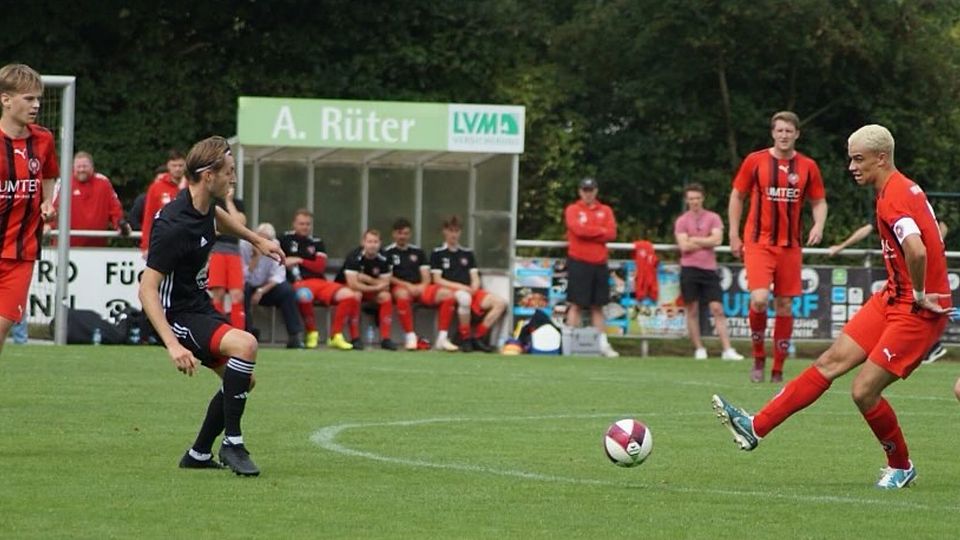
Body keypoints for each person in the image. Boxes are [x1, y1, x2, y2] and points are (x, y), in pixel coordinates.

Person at [712, 124, 954, 489]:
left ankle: (901, 465)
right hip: (893, 296)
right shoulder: (895, 189)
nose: (851, 166)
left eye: (858, 159)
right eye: (850, 158)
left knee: (863, 391)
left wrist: (920, 292)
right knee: (829, 362)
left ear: (881, 158)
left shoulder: (895, 196)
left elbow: (916, 249)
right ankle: (755, 426)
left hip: (917, 309)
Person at [138, 135, 285, 476]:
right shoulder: (173, 226)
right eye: (229, 172)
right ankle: (233, 443)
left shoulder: (201, 205)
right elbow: (146, 290)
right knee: (246, 345)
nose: (233, 179)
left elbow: (217, 217)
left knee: (242, 382)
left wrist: (257, 239)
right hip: (176, 315)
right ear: (208, 176)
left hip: (198, 306)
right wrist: (172, 345)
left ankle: (199, 454)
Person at [728, 111, 828, 383]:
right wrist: (734, 234)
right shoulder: (755, 161)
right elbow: (737, 195)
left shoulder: (808, 166)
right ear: (773, 133)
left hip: (790, 246)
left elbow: (819, 201)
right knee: (759, 299)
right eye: (779, 130)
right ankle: (759, 357)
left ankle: (778, 368)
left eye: (789, 131)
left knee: (784, 304)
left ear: (797, 134)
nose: (784, 135)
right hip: (759, 242)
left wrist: (818, 225)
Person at [829, 221, 950, 365]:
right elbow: (867, 228)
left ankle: (929, 347)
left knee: (908, 307)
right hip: (903, 270)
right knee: (900, 307)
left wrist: (927, 249)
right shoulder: (900, 209)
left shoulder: (906, 209)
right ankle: (928, 347)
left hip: (911, 270)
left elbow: (942, 228)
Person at [0, 64, 59, 357]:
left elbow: (49, 174)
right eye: (28, 98)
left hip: (21, 252)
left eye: (38, 99)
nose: (36, 105)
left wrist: (48, 202)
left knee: (2, 325)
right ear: (6, 99)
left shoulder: (43, 139)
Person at [674, 183, 743, 361]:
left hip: (709, 269)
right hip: (689, 268)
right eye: (691, 199)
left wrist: (695, 240)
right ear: (686, 200)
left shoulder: (713, 218)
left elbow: (717, 239)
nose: (694, 202)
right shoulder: (682, 221)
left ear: (702, 198)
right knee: (692, 309)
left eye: (697, 198)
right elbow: (683, 245)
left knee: (717, 308)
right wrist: (705, 241)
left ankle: (727, 349)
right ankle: (699, 348)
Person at [279, 209, 360, 350]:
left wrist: (299, 260)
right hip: (299, 283)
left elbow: (320, 267)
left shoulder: (317, 242)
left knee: (350, 295)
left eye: (308, 224)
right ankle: (312, 332)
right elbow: (278, 261)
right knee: (304, 296)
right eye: (301, 223)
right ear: (294, 224)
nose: (305, 227)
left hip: (320, 282)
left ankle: (336, 335)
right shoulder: (284, 239)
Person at [429, 215, 507, 352]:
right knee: (465, 298)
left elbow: (474, 275)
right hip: (452, 290)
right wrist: (461, 287)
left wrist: (474, 286)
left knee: (500, 303)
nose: (454, 234)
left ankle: (478, 336)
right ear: (445, 231)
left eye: (457, 231)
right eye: (451, 230)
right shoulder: (437, 253)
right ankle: (465, 338)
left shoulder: (467, 253)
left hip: (470, 290)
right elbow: (437, 280)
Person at [383, 217, 459, 352]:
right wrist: (408, 286)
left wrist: (422, 286)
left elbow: (425, 274)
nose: (403, 237)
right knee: (402, 294)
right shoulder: (387, 252)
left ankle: (442, 338)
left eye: (406, 233)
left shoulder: (418, 252)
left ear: (410, 234)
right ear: (394, 234)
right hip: (401, 287)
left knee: (448, 294)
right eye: (400, 233)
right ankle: (410, 336)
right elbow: (389, 278)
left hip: (420, 288)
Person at [563, 177, 619, 358]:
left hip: (599, 262)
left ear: (596, 191)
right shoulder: (573, 209)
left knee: (598, 305)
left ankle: (602, 343)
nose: (588, 194)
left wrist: (590, 231)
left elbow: (611, 233)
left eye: (591, 190)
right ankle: (569, 343)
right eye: (585, 190)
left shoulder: (606, 210)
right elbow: (577, 230)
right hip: (579, 260)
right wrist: (598, 231)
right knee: (576, 303)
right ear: (580, 192)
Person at [241, 223, 304, 349]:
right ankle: (246, 334)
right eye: (260, 238)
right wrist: (255, 258)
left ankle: (294, 336)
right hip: (246, 286)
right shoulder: (244, 245)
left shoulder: (275, 246)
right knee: (243, 290)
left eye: (266, 240)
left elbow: (278, 275)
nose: (262, 242)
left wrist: (261, 291)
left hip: (264, 288)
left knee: (287, 291)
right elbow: (242, 277)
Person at [48, 151, 128, 247]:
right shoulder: (64, 182)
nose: (81, 169)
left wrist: (119, 224)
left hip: (97, 248)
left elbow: (115, 209)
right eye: (78, 166)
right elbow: (52, 208)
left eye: (85, 166)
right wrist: (48, 225)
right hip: (67, 249)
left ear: (92, 167)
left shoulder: (103, 183)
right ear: (73, 167)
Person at [336, 229, 398, 351]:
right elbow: (353, 284)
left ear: (380, 243)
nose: (372, 245)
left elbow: (385, 285)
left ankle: (385, 338)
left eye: (375, 242)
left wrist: (367, 279)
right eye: (369, 241)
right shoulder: (354, 257)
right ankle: (355, 338)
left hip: (370, 289)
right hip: (346, 289)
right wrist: (376, 286)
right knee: (356, 295)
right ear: (363, 242)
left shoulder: (385, 258)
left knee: (386, 296)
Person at [208, 188, 246, 332]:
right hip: (216, 250)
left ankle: (239, 333)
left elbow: (239, 225)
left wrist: (229, 202)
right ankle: (219, 330)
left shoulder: (237, 203)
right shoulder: (212, 202)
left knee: (237, 294)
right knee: (218, 293)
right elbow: (212, 228)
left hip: (233, 252)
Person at [140, 149, 186, 253]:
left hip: (187, 241)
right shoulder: (156, 188)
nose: (177, 169)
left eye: (180, 165)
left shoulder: (192, 186)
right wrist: (145, 245)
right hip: (163, 241)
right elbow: (149, 216)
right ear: (168, 166)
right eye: (174, 165)